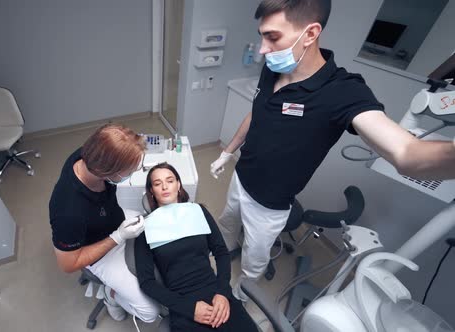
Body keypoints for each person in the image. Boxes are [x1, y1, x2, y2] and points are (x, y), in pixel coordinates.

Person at [210, 0, 455, 302]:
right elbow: (257, 111)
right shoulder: (272, 70)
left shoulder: (342, 91)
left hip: (269, 203)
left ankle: (240, 296)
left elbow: (406, 153)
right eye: (262, 35)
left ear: (310, 34)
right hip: (240, 176)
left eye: (272, 37)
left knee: (254, 259)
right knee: (226, 223)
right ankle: (223, 255)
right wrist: (229, 151)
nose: (262, 48)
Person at [48, 124, 160, 322]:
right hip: (100, 251)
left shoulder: (89, 155)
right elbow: (68, 264)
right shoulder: (69, 212)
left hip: (113, 219)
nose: (132, 174)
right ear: (106, 171)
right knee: (150, 313)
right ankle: (112, 297)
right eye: (129, 171)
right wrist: (118, 237)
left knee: (159, 227)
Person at [134, 163, 258, 332]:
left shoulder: (198, 211)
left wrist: (223, 292)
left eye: (170, 180)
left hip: (216, 293)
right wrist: (189, 309)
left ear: (178, 185)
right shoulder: (144, 229)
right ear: (151, 192)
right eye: (157, 183)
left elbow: (221, 252)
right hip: (182, 303)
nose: (164, 186)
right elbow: (146, 282)